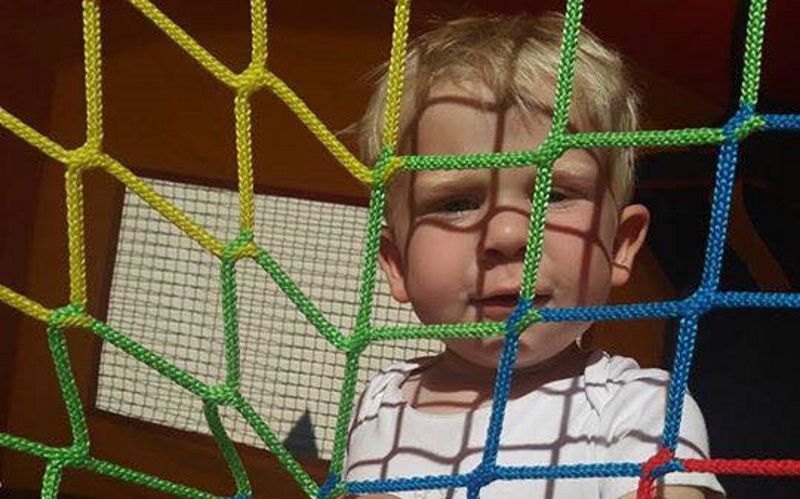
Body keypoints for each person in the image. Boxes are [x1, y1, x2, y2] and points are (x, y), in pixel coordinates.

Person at [345, 13, 724, 499]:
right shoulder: (379, 403)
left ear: (622, 243)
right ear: (396, 264)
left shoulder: (639, 411)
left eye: (555, 194)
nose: (507, 232)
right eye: (457, 203)